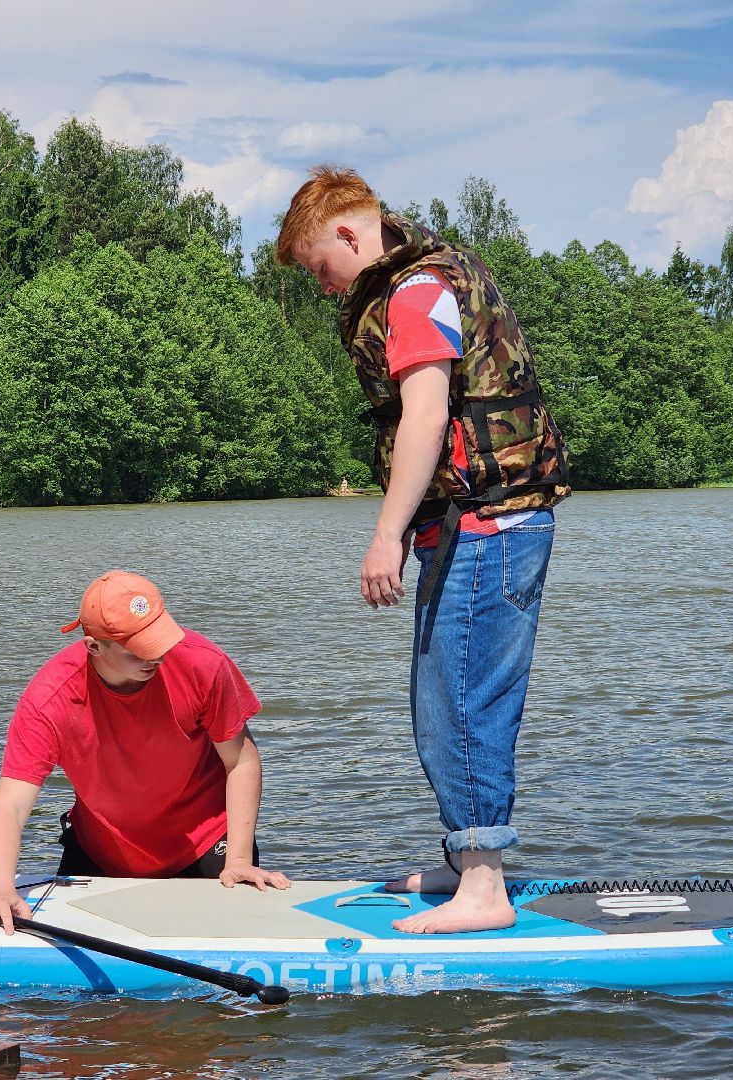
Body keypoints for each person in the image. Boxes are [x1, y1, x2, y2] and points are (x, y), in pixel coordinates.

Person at [277, 167, 570, 934]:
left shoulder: (413, 293)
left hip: (489, 525)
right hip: (473, 522)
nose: (325, 288)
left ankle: (483, 888)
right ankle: (466, 861)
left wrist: (384, 534)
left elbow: (428, 416)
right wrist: (412, 527)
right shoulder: (425, 278)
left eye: (320, 268)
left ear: (349, 233)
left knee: (464, 704)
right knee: (445, 700)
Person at [0, 570, 290, 938]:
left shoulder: (203, 663)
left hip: (207, 844)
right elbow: (11, 803)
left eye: (160, 637)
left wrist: (240, 859)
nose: (159, 656)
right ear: (93, 647)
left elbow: (241, 760)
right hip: (102, 851)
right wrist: (0, 888)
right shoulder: (49, 698)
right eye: (140, 649)